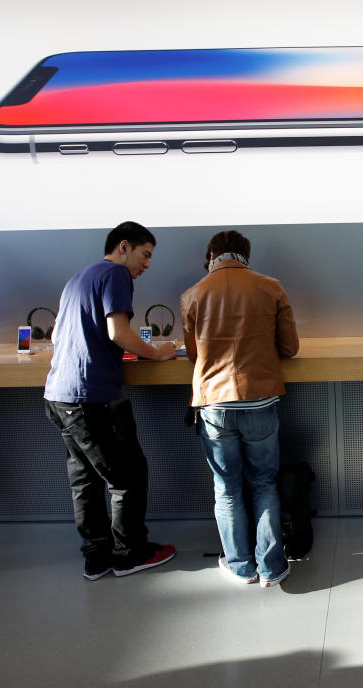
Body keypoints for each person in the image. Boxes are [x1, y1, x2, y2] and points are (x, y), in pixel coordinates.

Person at [44, 221, 177, 581]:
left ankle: (96, 558)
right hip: (91, 397)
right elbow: (117, 332)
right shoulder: (117, 275)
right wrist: (156, 353)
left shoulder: (78, 278)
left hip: (58, 395)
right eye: (145, 255)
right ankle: (129, 553)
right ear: (123, 247)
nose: (147, 264)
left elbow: (59, 333)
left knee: (85, 481)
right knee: (127, 477)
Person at [180, 230, 299, 587]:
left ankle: (241, 566)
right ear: (246, 253)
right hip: (259, 399)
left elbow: (193, 355)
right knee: (264, 483)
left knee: (226, 488)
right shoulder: (270, 287)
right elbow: (290, 348)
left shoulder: (192, 295)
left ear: (213, 253)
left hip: (214, 404)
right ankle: (272, 568)